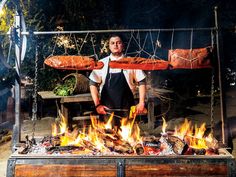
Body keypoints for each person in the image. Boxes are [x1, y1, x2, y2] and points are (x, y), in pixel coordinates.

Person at [89, 34, 146, 126]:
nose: (115, 45)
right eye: (112, 43)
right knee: (107, 138)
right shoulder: (102, 63)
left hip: (127, 109)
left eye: (118, 43)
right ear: (109, 46)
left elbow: (142, 81)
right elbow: (92, 83)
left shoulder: (131, 62)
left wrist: (141, 103)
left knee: (128, 138)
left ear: (122, 45)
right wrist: (97, 105)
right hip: (106, 110)